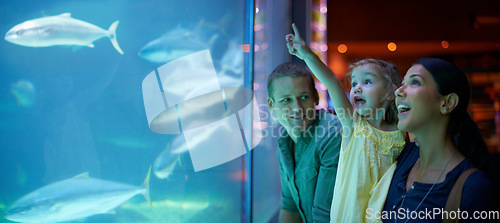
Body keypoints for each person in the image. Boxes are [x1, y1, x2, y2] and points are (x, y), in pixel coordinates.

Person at [286, 23, 406, 223]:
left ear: (389, 92)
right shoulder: (354, 125)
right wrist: (307, 54)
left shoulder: (401, 132)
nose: (357, 88)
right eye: (354, 83)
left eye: (367, 81)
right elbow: (332, 81)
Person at [381, 58, 496, 222]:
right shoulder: (402, 157)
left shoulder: (474, 188)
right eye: (402, 83)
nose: (398, 91)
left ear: (448, 103)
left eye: (415, 82)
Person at [267, 61, 343, 223]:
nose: (297, 108)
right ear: (271, 105)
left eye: (303, 97)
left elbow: (324, 217)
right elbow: (290, 207)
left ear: (315, 97)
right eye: (286, 100)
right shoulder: (284, 142)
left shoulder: (331, 133)